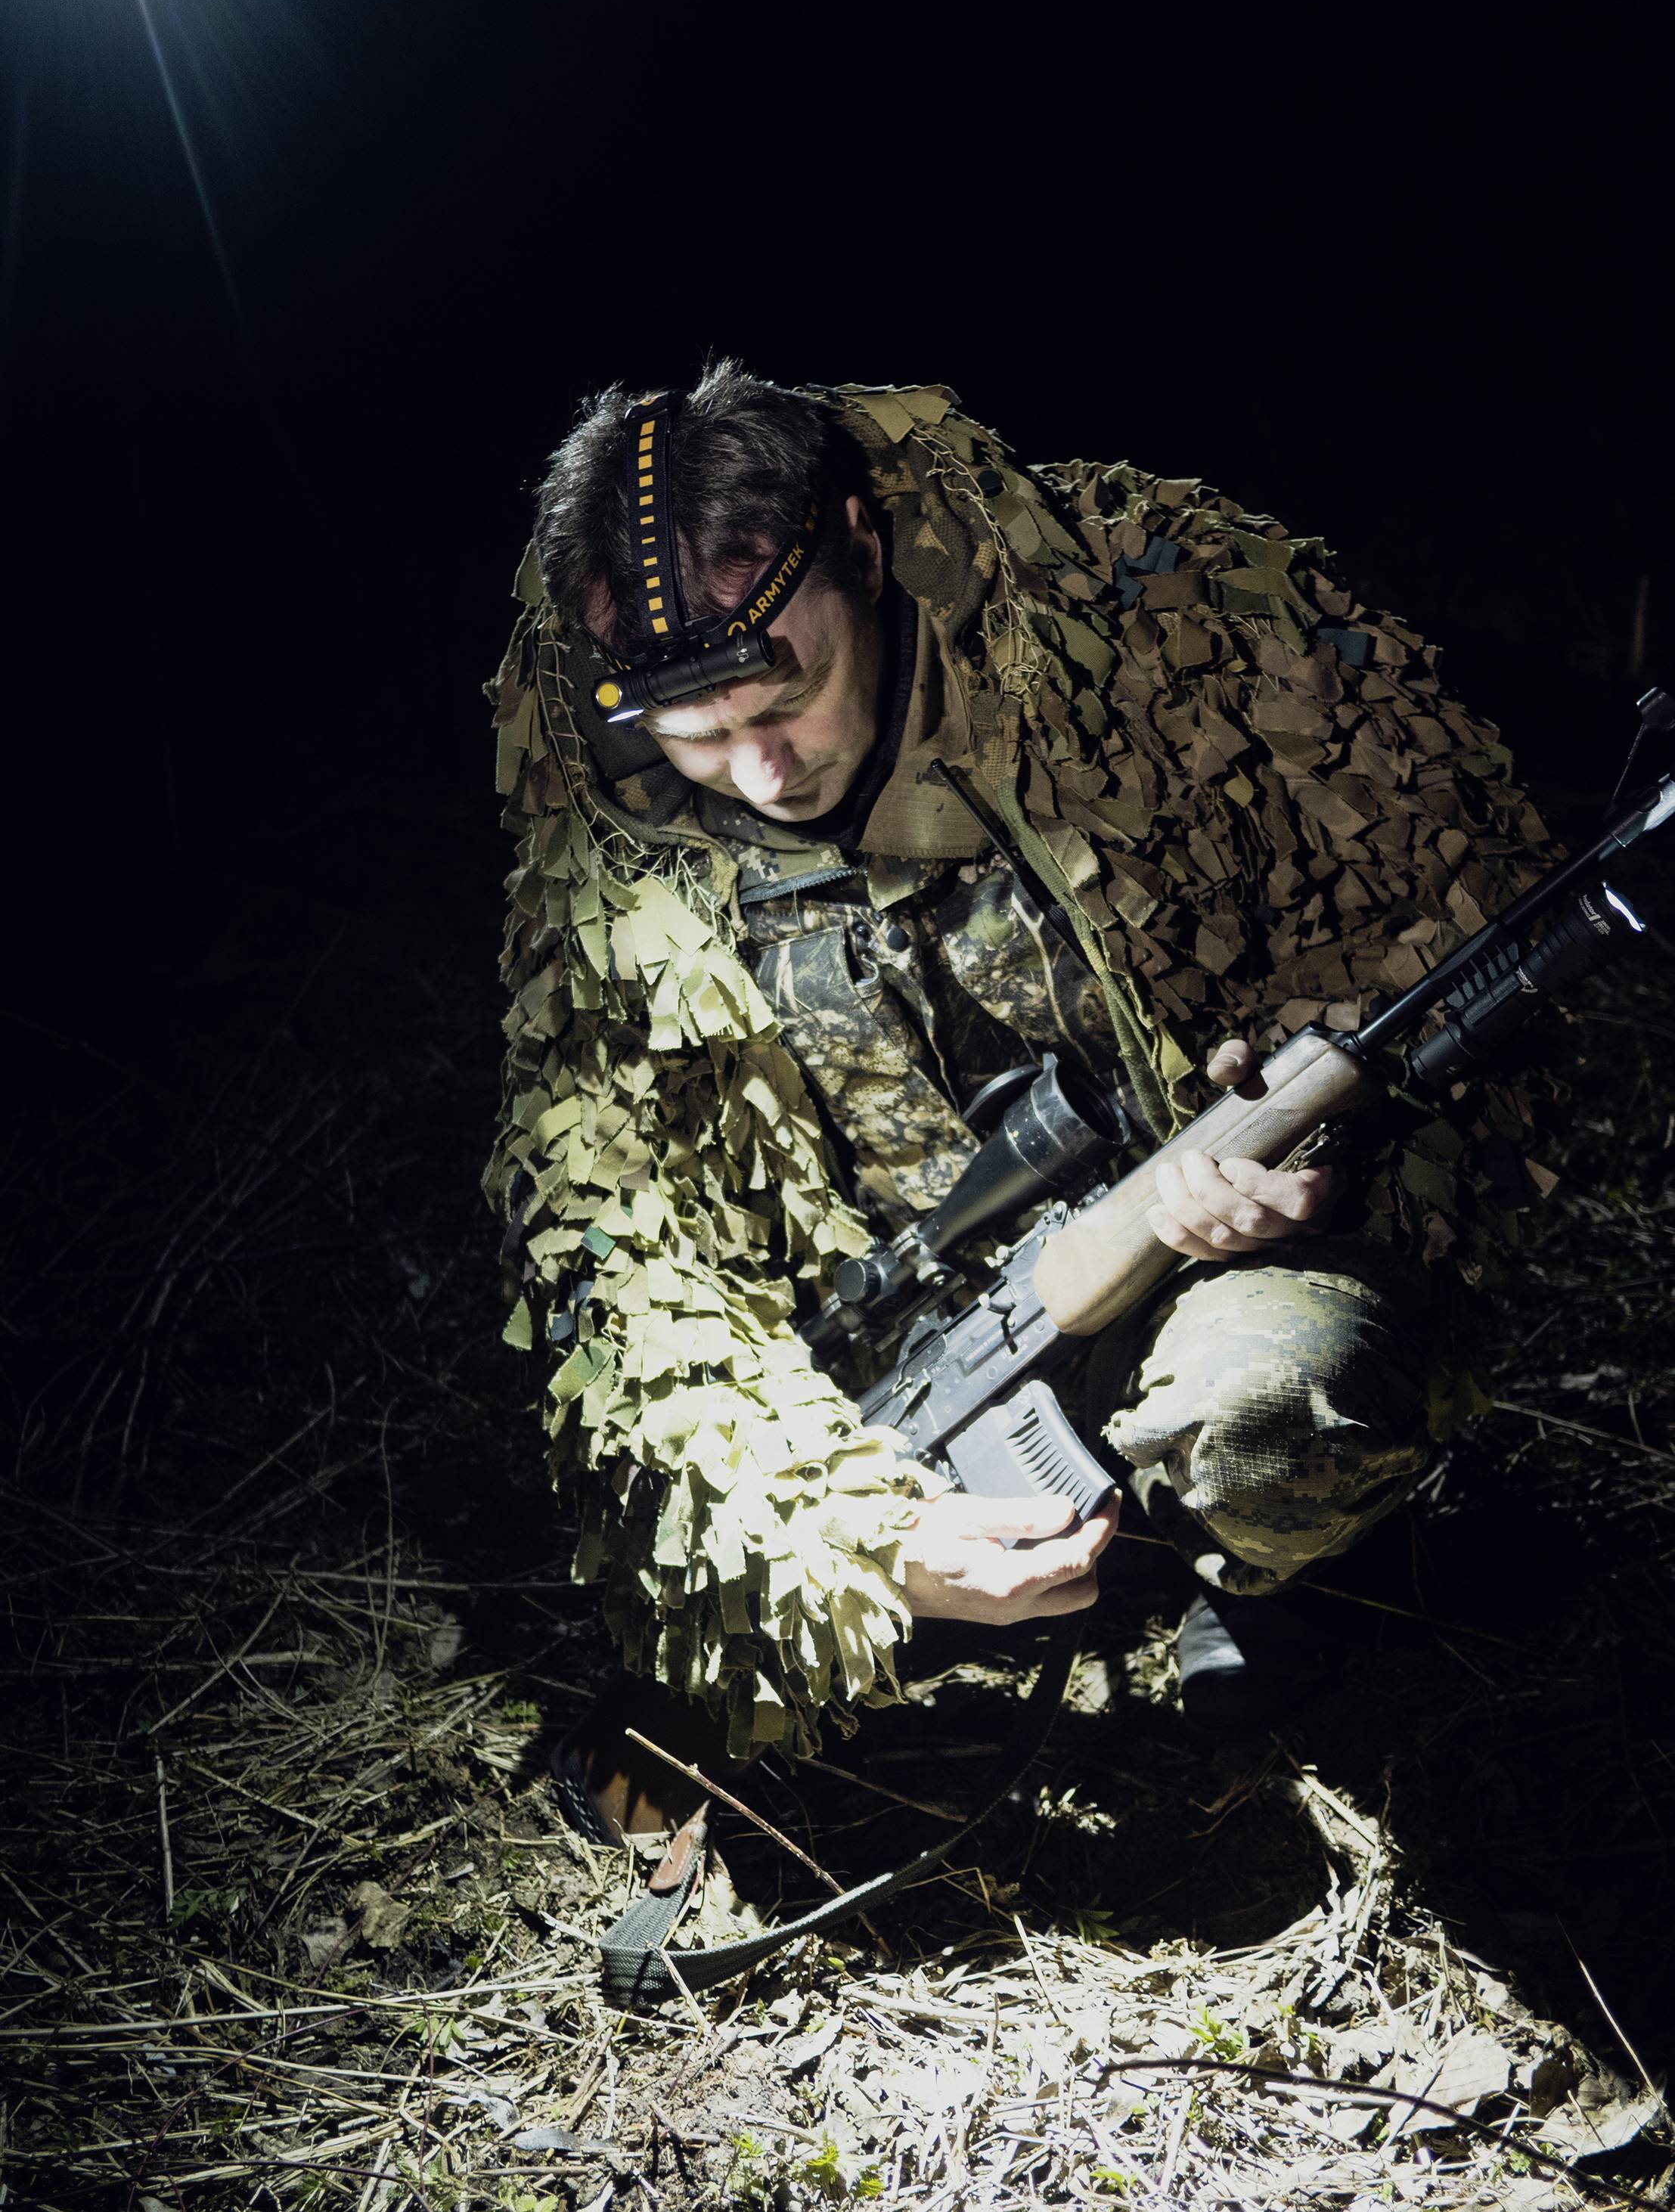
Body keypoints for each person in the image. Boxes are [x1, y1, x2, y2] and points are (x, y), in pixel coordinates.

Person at [483, 362, 1552, 1832]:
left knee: (1271, 1411)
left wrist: (1291, 1123)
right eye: (696, 735)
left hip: (1195, 1249)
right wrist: (855, 1542)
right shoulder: (601, 824)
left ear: (857, 547)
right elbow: (614, 1257)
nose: (756, 768)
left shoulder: (1129, 622)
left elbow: (1424, 904)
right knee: (710, 1622)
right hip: (900, 1343)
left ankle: (1259, 1562)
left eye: (785, 693)